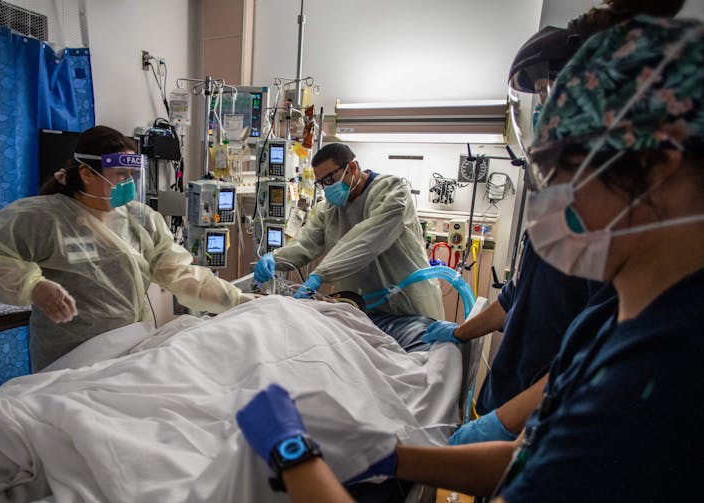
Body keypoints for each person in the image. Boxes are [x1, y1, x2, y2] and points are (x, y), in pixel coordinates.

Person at [237, 16, 704, 502]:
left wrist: (292, 454)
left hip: (407, 317)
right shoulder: (605, 325)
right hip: (364, 318)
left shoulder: (663, 379)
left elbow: (364, 242)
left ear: (657, 170)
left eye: (566, 172)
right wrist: (393, 456)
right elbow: (527, 455)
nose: (553, 204)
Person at [422, 0, 683, 446]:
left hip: (549, 424)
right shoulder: (558, 208)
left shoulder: (635, 227)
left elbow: (600, 359)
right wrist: (456, 333)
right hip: (514, 394)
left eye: (555, 93)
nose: (546, 110)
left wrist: (505, 423)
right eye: (541, 96)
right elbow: (516, 300)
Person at [0, 125, 253, 371]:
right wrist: (34, 286)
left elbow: (181, 275)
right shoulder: (41, 218)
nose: (128, 183)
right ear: (87, 173)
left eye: (131, 174)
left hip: (129, 351)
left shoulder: (141, 220)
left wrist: (237, 301)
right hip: (70, 360)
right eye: (119, 174)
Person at [253, 142, 444, 320]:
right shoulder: (329, 209)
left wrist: (320, 274)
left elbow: (366, 241)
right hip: (359, 307)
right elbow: (306, 242)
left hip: (407, 304)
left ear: (352, 168)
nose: (327, 187)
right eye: (321, 183)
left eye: (330, 178)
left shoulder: (392, 193)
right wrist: (275, 258)